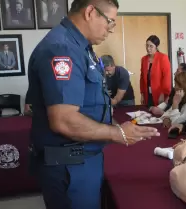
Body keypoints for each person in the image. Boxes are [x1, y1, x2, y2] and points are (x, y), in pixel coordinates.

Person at [25, 0, 159, 208]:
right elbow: (64, 120)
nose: (110, 30)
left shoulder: (82, 48)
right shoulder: (63, 48)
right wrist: (117, 133)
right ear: (90, 12)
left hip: (83, 158)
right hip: (70, 165)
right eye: (110, 22)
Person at [140, 35, 171, 107]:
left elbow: (166, 77)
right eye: (147, 45)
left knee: (158, 115)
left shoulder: (163, 58)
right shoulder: (144, 59)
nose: (148, 48)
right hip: (147, 93)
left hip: (159, 94)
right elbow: (142, 78)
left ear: (156, 47)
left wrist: (163, 93)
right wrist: (142, 94)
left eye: (151, 46)